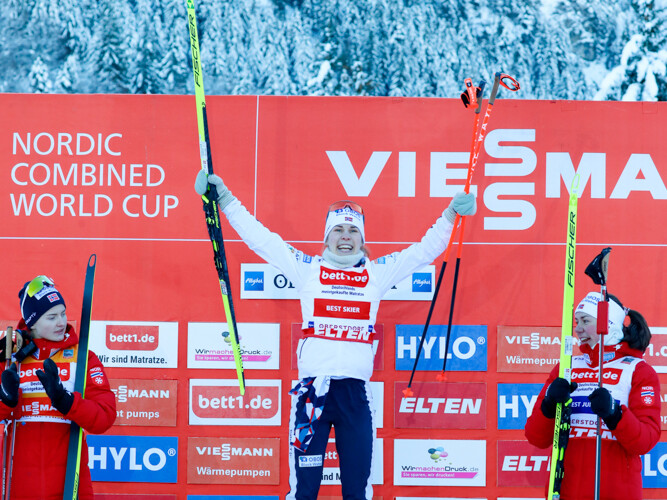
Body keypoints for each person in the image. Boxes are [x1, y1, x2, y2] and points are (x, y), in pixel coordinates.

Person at [195, 170, 476, 499]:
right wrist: (225, 200)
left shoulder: (376, 273)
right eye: (338, 230)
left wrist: (450, 214)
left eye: (353, 231)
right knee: (305, 490)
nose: (346, 236)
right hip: (312, 396)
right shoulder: (308, 269)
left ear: (362, 239)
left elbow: (424, 251)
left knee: (357, 491)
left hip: (356, 398)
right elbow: (262, 239)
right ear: (326, 238)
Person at [525, 291, 660, 500]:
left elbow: (645, 441)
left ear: (608, 324)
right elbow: (536, 437)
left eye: (585, 321)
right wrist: (549, 404)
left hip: (616, 491)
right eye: (576, 321)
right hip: (567, 489)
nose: (577, 329)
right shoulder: (567, 368)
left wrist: (614, 414)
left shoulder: (638, 370)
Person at [0, 275, 116, 500]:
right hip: (16, 486)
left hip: (69, 486)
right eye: (51, 317)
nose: (61, 322)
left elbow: (105, 417)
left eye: (62, 313)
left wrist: (66, 401)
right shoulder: (9, 358)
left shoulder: (83, 359)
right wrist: (6, 401)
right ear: (32, 322)